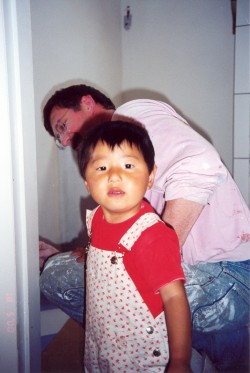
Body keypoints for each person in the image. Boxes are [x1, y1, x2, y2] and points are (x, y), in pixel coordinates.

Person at [40, 84, 250, 372]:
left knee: (58, 275)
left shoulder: (132, 116)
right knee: (70, 269)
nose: (64, 140)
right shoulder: (119, 186)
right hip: (212, 274)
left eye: (62, 125)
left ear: (87, 103)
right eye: (58, 138)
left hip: (230, 274)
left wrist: (157, 250)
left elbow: (200, 163)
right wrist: (90, 254)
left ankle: (175, 356)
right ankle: (208, 353)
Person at [77, 120, 192, 372]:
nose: (115, 175)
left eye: (128, 165)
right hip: (102, 337)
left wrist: (180, 360)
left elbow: (173, 297)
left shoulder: (152, 236)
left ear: (150, 176)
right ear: (87, 180)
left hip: (140, 352)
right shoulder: (96, 217)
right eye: (102, 167)